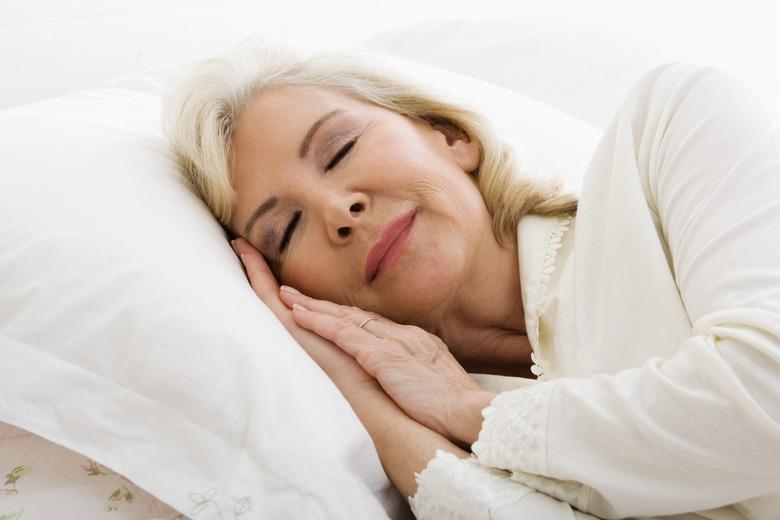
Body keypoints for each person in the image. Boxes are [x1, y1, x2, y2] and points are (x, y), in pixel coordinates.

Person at [164, 38, 780, 519]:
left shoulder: (669, 129)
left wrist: (470, 411)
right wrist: (370, 408)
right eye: (286, 230)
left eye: (340, 149)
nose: (337, 211)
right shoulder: (418, 451)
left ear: (451, 137)